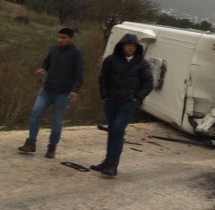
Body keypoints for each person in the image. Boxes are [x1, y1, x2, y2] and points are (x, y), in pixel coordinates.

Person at [92, 33, 153, 177]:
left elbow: (149, 83)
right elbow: (103, 78)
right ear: (122, 46)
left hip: (127, 103)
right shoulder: (111, 60)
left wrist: (137, 98)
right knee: (112, 130)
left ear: (137, 48)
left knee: (118, 130)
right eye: (127, 45)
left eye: (133, 46)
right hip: (111, 101)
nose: (130, 48)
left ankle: (113, 165)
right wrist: (104, 94)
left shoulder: (142, 64)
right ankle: (107, 161)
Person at [18, 28, 84, 159]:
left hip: (64, 94)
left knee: (56, 122)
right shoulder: (54, 49)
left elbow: (79, 74)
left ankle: (52, 147)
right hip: (47, 90)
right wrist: (43, 69)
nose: (61, 40)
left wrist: (75, 90)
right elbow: (47, 62)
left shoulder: (77, 54)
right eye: (59, 37)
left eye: (64, 38)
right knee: (35, 113)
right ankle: (31, 142)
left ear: (71, 38)